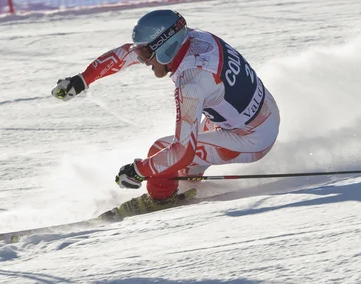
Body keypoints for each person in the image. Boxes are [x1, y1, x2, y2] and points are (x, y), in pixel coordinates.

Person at [52, 9, 280, 220]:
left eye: (145, 53)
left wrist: (139, 170)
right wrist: (83, 80)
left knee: (160, 152)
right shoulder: (191, 38)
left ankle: (161, 199)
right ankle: (189, 177)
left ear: (165, 46)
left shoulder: (192, 80)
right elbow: (125, 54)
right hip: (256, 114)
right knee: (179, 164)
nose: (142, 60)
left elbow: (182, 150)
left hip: (251, 138)